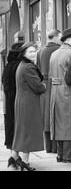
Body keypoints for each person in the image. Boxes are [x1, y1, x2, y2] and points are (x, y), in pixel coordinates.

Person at [10, 42, 46, 171]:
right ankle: (24, 162)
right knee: (28, 132)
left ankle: (15, 157)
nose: (33, 53)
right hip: (28, 104)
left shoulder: (22, 65)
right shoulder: (28, 67)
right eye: (30, 51)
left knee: (22, 130)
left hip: (22, 102)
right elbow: (38, 86)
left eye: (34, 51)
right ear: (24, 53)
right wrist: (44, 86)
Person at [49, 27, 71, 163]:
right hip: (67, 89)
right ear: (67, 40)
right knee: (68, 122)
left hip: (55, 90)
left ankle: (60, 154)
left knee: (58, 122)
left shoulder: (54, 53)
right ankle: (68, 155)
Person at [38, 29, 61, 153]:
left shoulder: (40, 51)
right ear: (56, 37)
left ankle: (48, 147)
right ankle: (56, 147)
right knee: (55, 115)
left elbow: (37, 69)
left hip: (44, 85)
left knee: (46, 117)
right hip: (55, 83)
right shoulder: (58, 50)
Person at [2, 43, 23, 163]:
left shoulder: (8, 66)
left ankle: (13, 153)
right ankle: (16, 156)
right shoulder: (19, 66)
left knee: (11, 126)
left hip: (8, 102)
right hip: (17, 100)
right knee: (18, 127)